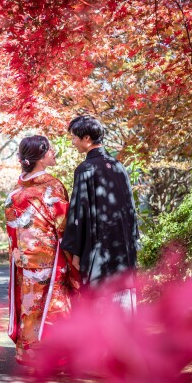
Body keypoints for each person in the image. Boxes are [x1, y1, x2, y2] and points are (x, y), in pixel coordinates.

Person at [5, 135, 79, 365]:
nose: (54, 153)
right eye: (50, 151)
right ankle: (52, 358)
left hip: (24, 261)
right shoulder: (53, 186)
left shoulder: (15, 192)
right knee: (53, 307)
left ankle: (29, 355)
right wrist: (73, 257)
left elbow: (12, 232)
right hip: (49, 259)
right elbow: (63, 227)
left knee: (29, 308)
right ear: (40, 157)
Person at [60, 116, 139, 303]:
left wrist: (76, 251)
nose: (73, 143)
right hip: (123, 250)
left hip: (97, 250)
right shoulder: (119, 167)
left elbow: (79, 214)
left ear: (86, 139)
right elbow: (131, 210)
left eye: (74, 138)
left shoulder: (86, 169)